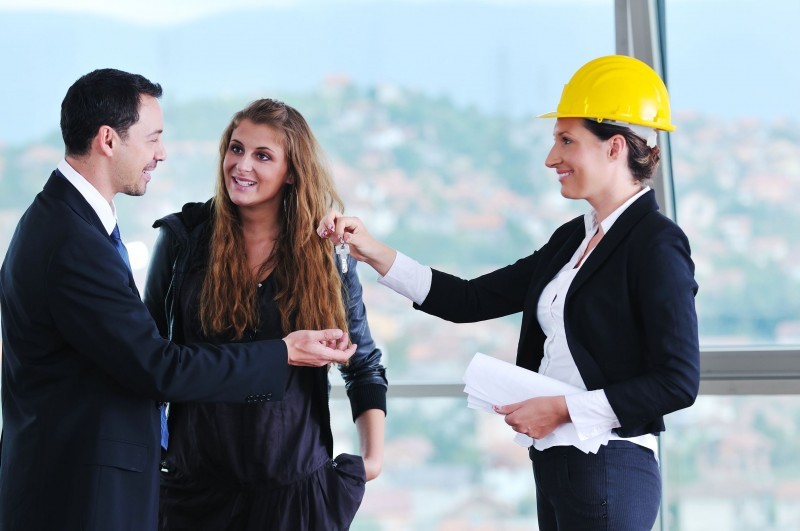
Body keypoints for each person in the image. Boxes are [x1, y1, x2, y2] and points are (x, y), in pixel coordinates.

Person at [318, 55, 700, 530]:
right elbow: (468, 300)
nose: (551, 158)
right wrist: (370, 249)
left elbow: (678, 381)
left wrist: (562, 409)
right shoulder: (572, 240)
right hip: (559, 465)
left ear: (614, 147)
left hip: (609, 465)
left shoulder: (656, 243)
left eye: (566, 141)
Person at [0, 69, 355, 531]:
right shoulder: (73, 242)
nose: (160, 154)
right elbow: (159, 367)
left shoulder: (64, 221)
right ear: (109, 140)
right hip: (79, 494)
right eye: (152, 139)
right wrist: (283, 352)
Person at [143, 98, 387, 530]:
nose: (241, 166)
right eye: (235, 149)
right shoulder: (183, 243)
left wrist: (372, 460)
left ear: (292, 171)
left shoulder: (326, 255)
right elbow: (151, 362)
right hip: (193, 498)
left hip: (297, 502)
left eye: (262, 155)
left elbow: (363, 365)